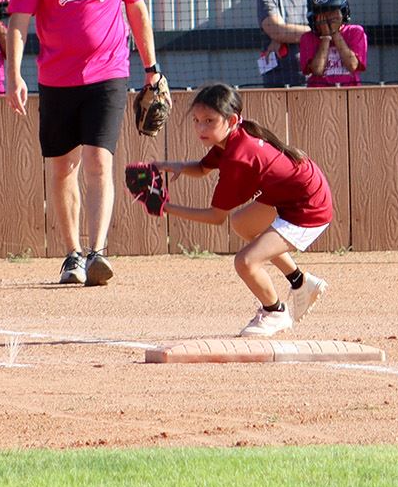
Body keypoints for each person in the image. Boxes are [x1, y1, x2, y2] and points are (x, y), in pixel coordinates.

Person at [5, 0, 163, 287]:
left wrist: (151, 69)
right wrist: (13, 73)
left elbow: (137, 12)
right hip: (56, 77)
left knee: (98, 160)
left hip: (107, 72)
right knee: (62, 168)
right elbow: (19, 19)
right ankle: (72, 254)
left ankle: (97, 252)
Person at [129, 84, 332, 337]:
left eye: (209, 121)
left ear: (232, 120)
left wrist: (164, 207)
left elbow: (215, 217)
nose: (201, 128)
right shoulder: (233, 137)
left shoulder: (238, 158)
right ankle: (300, 282)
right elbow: (202, 168)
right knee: (243, 223)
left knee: (245, 262)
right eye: (197, 120)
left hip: (308, 208)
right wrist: (164, 166)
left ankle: (275, 312)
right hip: (297, 192)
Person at [298, 0, 367, 88]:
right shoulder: (307, 38)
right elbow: (317, 69)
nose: (328, 18)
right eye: (322, 14)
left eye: (332, 12)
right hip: (319, 96)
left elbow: (352, 65)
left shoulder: (355, 32)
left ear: (342, 13)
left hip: (350, 95)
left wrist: (335, 33)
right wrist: (326, 37)